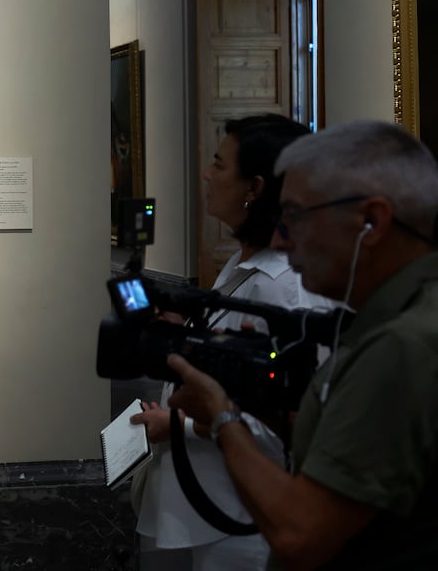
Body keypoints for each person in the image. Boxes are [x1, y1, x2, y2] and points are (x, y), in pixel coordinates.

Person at [167, 120, 438, 569]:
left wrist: (222, 416)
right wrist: (264, 406)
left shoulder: (403, 345)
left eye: (295, 218)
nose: (279, 238)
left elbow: (301, 533)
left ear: (371, 222)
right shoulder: (391, 320)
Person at [131, 114, 337, 571]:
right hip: (204, 504)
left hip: (239, 517)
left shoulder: (287, 291)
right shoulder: (243, 264)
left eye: (220, 165)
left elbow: (291, 425)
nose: (207, 173)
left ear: (255, 188)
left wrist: (178, 424)